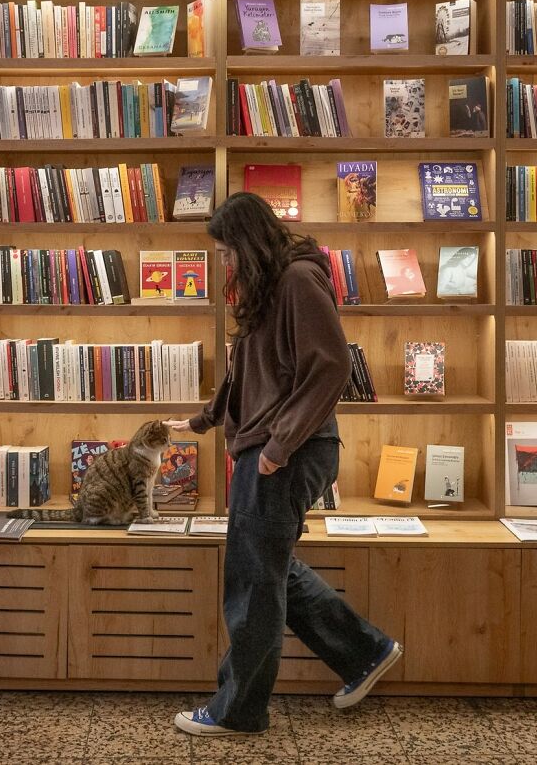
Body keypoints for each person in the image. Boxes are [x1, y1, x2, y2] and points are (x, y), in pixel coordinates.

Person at [166, 192, 402, 737]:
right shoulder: (270, 285)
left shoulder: (297, 281)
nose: (225, 265)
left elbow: (332, 366)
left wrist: (278, 447)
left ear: (248, 244)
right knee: (265, 569)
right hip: (271, 446)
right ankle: (367, 650)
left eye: (228, 253)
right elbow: (248, 366)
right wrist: (205, 419)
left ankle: (239, 710)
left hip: (286, 452)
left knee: (253, 581)